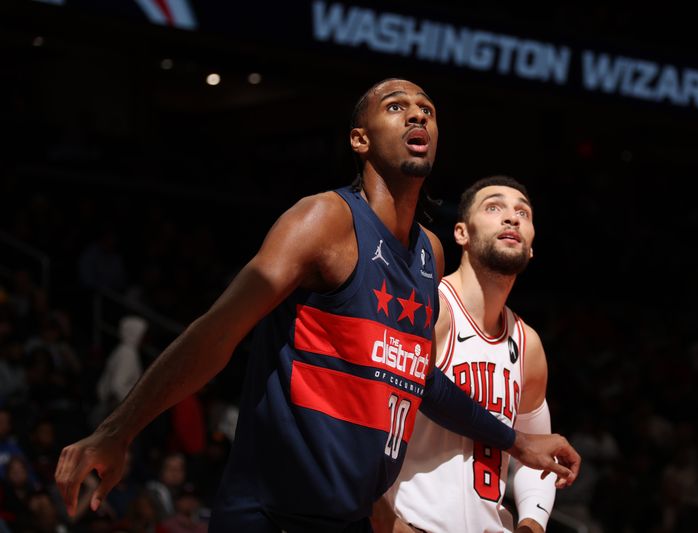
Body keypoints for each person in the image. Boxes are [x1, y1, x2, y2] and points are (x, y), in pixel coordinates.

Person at [55, 78, 580, 532]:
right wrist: (117, 430)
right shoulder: (324, 221)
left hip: (348, 521)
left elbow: (420, 375)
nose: (418, 112)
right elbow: (218, 330)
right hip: (270, 515)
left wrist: (516, 442)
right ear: (360, 139)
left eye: (427, 109)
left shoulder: (430, 251)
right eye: (396, 106)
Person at [373, 176, 556, 533]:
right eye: (494, 208)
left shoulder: (528, 344)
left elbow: (536, 457)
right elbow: (363, 424)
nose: (512, 218)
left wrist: (532, 524)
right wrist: (384, 520)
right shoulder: (430, 310)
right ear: (461, 233)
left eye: (523, 212)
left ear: (532, 247)